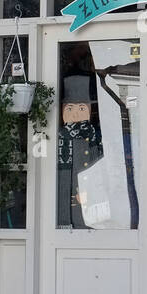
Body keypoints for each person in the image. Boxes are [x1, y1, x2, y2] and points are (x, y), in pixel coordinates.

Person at [56, 74, 102, 228]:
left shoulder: (94, 135)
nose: (76, 114)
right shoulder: (62, 137)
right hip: (70, 198)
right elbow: (62, 176)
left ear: (89, 109)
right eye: (70, 108)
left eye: (82, 108)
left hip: (93, 200)